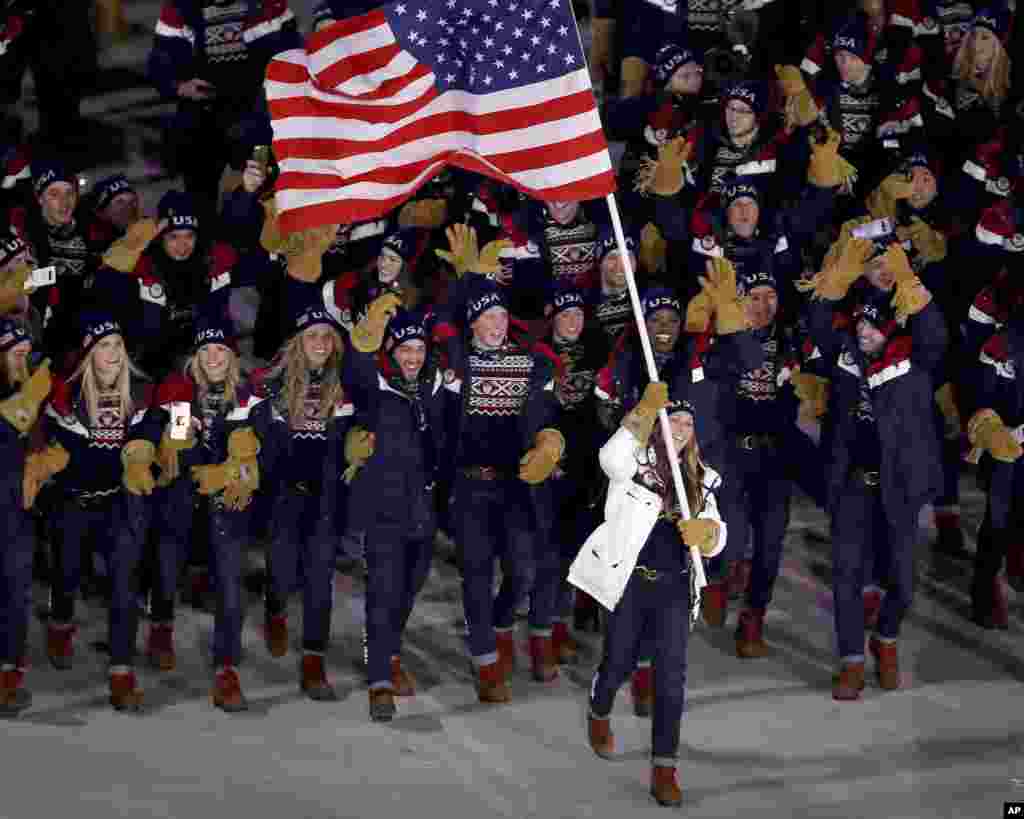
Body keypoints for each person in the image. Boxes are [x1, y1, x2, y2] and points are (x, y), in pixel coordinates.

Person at [802, 237, 947, 696]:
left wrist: (906, 278)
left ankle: (885, 639)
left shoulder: (915, 356)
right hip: (850, 485)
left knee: (902, 583)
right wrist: (838, 278)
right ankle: (850, 661)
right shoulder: (844, 351)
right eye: (861, 323)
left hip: (900, 486)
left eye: (873, 327)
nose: (864, 333)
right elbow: (818, 322)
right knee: (845, 575)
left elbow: (934, 333)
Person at [585, 383, 726, 807]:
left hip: (674, 590)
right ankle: (599, 707)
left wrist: (708, 534)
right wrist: (642, 413)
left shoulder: (703, 476)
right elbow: (608, 460)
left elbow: (718, 536)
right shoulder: (635, 461)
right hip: (631, 582)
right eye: (673, 420)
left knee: (671, 681)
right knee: (620, 661)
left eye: (687, 422)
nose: (681, 428)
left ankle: (665, 768)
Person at [31, 313, 160, 711]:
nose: (113, 353)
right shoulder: (65, 395)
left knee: (124, 583)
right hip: (72, 500)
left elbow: (156, 428)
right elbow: (42, 436)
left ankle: (121, 672)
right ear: (89, 353)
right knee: (67, 573)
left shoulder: (139, 391)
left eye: (118, 346)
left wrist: (145, 451)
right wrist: (46, 458)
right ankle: (60, 622)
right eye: (104, 346)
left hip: (116, 502)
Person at [145, 314, 267, 710]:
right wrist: (189, 451)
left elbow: (268, 445)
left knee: (231, 587)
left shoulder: (248, 395)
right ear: (195, 356)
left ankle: (225, 669)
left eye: (221, 350)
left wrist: (241, 466)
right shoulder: (181, 389)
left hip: (227, 506)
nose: (214, 357)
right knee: (166, 570)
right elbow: (179, 445)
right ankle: (161, 629)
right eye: (206, 350)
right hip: (183, 500)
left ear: (233, 356)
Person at [343, 302, 449, 721]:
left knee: (410, 587)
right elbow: (354, 365)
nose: (412, 357)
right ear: (391, 349)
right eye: (405, 349)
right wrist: (368, 328)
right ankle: (379, 681)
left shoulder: (434, 385)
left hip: (423, 506)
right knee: (383, 589)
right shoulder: (375, 384)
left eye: (419, 350)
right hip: (383, 505)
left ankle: (388, 648)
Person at [257, 301, 353, 701]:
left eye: (326, 337)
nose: (320, 342)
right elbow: (246, 420)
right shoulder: (271, 383)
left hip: (326, 500)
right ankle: (275, 606)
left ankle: (314, 662)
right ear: (298, 342)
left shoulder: (346, 385)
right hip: (284, 497)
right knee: (282, 573)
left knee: (320, 583)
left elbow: (362, 428)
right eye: (312, 335)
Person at [0, 317, 51, 715]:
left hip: (19, 506)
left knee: (16, 588)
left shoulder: (31, 390)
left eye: (25, 354)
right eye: (16, 355)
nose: (23, 361)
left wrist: (43, 461)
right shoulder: (24, 396)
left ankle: (9, 670)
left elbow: (39, 438)